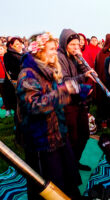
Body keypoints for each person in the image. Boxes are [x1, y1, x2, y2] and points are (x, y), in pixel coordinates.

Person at [17, 32, 85, 199]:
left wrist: (77, 92)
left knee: (67, 178)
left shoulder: (49, 70)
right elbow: (33, 105)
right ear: (39, 51)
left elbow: (54, 96)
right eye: (51, 49)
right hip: (42, 141)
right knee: (48, 185)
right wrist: (63, 91)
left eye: (56, 48)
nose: (55, 52)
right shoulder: (28, 74)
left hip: (58, 135)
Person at [57, 29, 96, 171]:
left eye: (78, 45)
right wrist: (83, 76)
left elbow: (85, 69)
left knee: (84, 134)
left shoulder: (75, 56)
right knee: (71, 137)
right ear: (64, 44)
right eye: (72, 44)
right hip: (67, 103)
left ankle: (75, 161)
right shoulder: (59, 57)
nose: (76, 47)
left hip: (79, 100)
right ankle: (68, 166)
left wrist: (81, 60)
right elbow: (65, 81)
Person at [94, 33, 110, 129]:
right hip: (103, 82)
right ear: (108, 42)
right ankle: (103, 121)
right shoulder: (101, 53)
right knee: (103, 102)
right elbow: (98, 68)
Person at [3, 37, 24, 112]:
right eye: (17, 44)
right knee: (17, 107)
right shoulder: (8, 55)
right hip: (14, 84)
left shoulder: (23, 54)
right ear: (11, 45)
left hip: (23, 83)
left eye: (20, 44)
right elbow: (13, 68)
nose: (19, 45)